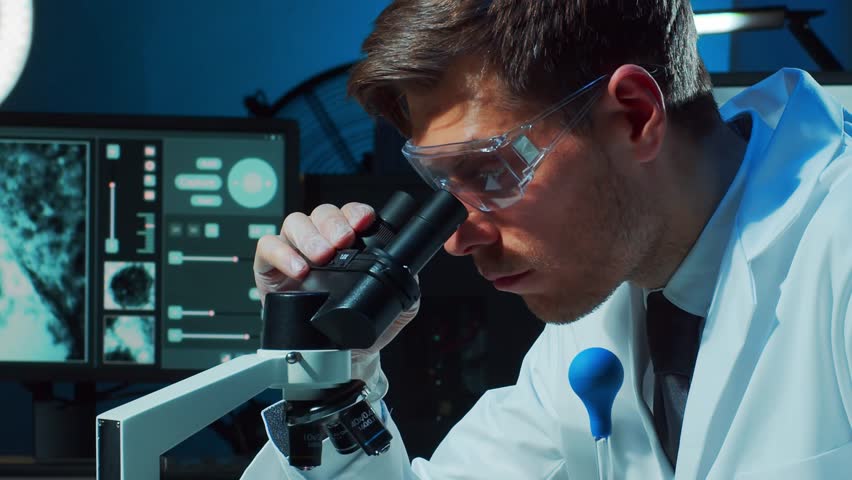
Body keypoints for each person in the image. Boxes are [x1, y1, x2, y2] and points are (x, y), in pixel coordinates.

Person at [243, 0, 852, 478]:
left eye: (490, 171)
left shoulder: (837, 246)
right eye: (441, 184)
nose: (456, 239)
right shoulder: (599, 310)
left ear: (635, 116)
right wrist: (329, 372)